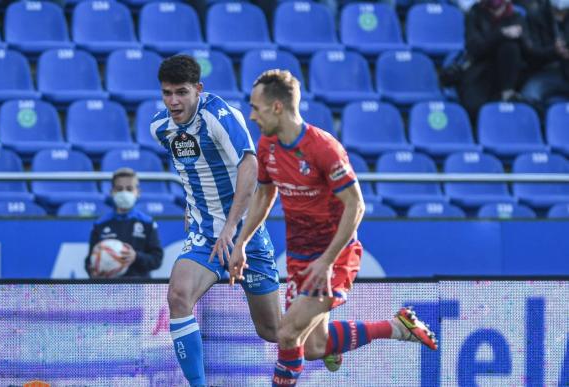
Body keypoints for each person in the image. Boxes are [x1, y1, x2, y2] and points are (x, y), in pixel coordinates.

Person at [228, 69, 438, 386]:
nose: (251, 115)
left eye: (256, 108)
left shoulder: (323, 148)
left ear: (277, 107)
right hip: (300, 257)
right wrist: (242, 242)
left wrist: (326, 260)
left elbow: (356, 205)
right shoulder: (268, 145)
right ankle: (397, 327)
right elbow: (265, 194)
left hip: (333, 257)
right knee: (313, 347)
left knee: (286, 333)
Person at [150, 55, 281, 386]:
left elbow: (249, 167)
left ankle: (332, 340)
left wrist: (231, 231)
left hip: (244, 234)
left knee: (273, 331)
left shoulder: (219, 115)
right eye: (167, 93)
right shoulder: (159, 128)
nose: (173, 101)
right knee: (178, 296)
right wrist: (192, 209)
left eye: (181, 92)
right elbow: (193, 169)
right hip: (205, 234)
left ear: (198, 89)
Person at [85, 168, 163, 279]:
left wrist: (136, 257)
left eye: (129, 189)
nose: (124, 193)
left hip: (139, 287)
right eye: (119, 189)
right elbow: (89, 260)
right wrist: (92, 271)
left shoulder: (147, 223)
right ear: (112, 192)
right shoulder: (100, 224)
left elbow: (157, 260)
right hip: (108, 289)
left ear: (138, 192)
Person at [460, 0, 528, 121]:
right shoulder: (474, 14)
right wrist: (501, 33)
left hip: (508, 74)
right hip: (479, 71)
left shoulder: (516, 16)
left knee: (510, 46)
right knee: (473, 107)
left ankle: (508, 92)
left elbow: (528, 50)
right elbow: (474, 49)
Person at [519, 0, 569, 106]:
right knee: (529, 96)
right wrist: (553, 51)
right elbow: (530, 55)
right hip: (546, 72)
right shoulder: (535, 15)